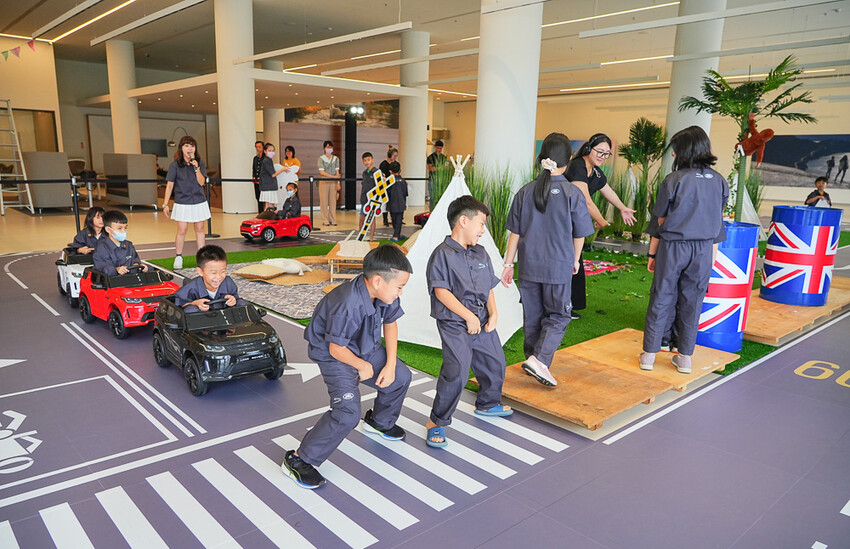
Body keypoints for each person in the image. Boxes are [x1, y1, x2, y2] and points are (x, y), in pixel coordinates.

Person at [281, 245, 413, 489]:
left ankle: (380, 422)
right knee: (347, 413)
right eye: (400, 286)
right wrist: (362, 366)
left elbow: (391, 323)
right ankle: (299, 460)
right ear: (377, 281)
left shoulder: (385, 293)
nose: (401, 291)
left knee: (401, 376)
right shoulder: (348, 303)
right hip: (334, 354)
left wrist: (391, 364)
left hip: (363, 346)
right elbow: (336, 349)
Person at [500, 133, 594, 387]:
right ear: (569, 159)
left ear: (542, 158)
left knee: (533, 316)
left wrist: (508, 264)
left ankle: (532, 359)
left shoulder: (525, 191)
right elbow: (579, 234)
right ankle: (539, 360)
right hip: (558, 266)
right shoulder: (572, 193)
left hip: (528, 266)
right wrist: (575, 260)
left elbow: (515, 233)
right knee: (559, 315)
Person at [640, 126, 729, 374]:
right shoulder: (720, 181)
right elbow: (717, 221)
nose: (674, 154)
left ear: (685, 151)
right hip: (703, 250)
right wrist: (710, 259)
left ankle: (649, 355)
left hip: (673, 247)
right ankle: (685, 357)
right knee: (693, 300)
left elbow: (660, 220)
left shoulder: (674, 180)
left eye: (676, 150)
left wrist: (652, 254)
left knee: (662, 296)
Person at [424, 195, 511, 448]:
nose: (483, 230)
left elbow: (488, 286)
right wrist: (468, 316)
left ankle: (487, 404)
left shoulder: (481, 252)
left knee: (495, 362)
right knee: (458, 370)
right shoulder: (441, 255)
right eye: (481, 224)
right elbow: (441, 292)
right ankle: (436, 421)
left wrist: (493, 314)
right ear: (463, 221)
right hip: (453, 322)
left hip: (481, 319)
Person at [566, 133, 637, 320]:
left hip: (573, 222)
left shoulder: (596, 172)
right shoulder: (577, 166)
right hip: (561, 221)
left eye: (606, 154)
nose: (602, 156)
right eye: (600, 151)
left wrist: (622, 208)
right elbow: (585, 200)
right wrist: (601, 220)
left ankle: (568, 305)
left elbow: (608, 191)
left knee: (575, 261)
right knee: (567, 261)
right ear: (589, 148)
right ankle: (559, 306)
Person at [162, 135, 210, 270]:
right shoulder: (174, 166)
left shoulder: (199, 163)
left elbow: (201, 182)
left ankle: (202, 257)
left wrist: (197, 168)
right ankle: (178, 257)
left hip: (198, 200)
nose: (190, 149)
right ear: (181, 148)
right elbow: (170, 185)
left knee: (200, 229)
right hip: (182, 201)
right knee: (182, 230)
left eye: (192, 146)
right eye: (187, 146)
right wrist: (165, 204)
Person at [175, 245, 246, 312]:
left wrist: (233, 300)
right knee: (191, 310)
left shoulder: (228, 283)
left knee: (242, 303)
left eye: (223, 271)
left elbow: (236, 298)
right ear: (200, 271)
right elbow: (179, 306)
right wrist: (194, 303)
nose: (218, 277)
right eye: (213, 273)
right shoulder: (191, 288)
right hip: (201, 319)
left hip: (225, 317)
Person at [93, 210, 148, 275]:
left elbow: (135, 260)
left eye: (125, 228)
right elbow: (103, 268)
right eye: (119, 228)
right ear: (108, 229)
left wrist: (139, 266)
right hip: (112, 279)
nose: (123, 231)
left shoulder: (129, 245)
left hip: (130, 278)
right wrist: (117, 269)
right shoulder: (101, 248)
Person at [317, 140, 340, 226]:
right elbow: (322, 172)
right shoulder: (321, 158)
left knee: (333, 201)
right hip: (324, 181)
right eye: (327, 147)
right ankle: (325, 219)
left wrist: (338, 183)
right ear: (324, 148)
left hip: (333, 182)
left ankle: (333, 219)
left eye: (330, 147)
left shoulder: (336, 159)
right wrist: (334, 177)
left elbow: (337, 172)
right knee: (324, 201)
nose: (329, 149)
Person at [259, 143, 287, 212]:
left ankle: (266, 216)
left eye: (273, 151)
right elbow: (273, 174)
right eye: (269, 151)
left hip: (267, 186)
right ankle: (268, 217)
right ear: (265, 151)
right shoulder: (267, 161)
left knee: (268, 204)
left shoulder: (268, 160)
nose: (271, 152)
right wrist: (283, 169)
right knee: (270, 205)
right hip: (269, 186)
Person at [360, 152, 379, 241]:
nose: (367, 162)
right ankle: (361, 236)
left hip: (372, 200)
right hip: (364, 198)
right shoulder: (364, 173)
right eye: (365, 160)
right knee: (361, 218)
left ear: (372, 160)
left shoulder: (376, 172)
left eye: (368, 160)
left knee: (372, 219)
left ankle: (371, 238)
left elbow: (381, 181)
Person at [387, 161, 408, 242]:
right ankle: (397, 234)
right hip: (401, 203)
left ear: (390, 171)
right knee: (399, 220)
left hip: (392, 203)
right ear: (400, 170)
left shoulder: (389, 181)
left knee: (394, 220)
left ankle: (396, 236)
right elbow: (405, 193)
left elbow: (387, 192)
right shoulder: (403, 181)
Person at [380, 146, 399, 227]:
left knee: (393, 202)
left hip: (393, 186)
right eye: (394, 156)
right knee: (385, 203)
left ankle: (393, 218)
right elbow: (381, 175)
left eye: (396, 156)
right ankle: (385, 219)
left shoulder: (395, 164)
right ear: (390, 155)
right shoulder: (383, 164)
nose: (395, 157)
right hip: (386, 186)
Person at [427, 140, 448, 211]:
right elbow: (431, 169)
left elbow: (446, 168)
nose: (439, 150)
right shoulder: (430, 157)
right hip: (433, 180)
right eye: (438, 148)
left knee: (441, 196)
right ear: (435, 147)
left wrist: (437, 168)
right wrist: (441, 168)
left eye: (441, 148)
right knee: (432, 197)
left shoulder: (444, 157)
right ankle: (432, 211)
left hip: (442, 180)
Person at [252, 140, 265, 214]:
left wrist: (261, 178)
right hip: (256, 181)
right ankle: (260, 213)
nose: (258, 148)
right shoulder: (255, 158)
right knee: (258, 197)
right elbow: (254, 169)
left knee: (263, 198)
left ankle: (263, 213)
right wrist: (254, 177)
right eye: (256, 147)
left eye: (259, 147)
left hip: (263, 181)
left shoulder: (266, 158)